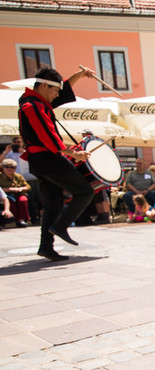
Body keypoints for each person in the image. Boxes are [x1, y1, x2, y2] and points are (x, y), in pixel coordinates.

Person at [18, 66, 96, 261]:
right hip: (48, 159)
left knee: (53, 203)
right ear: (44, 86)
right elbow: (47, 135)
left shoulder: (36, 102)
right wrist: (72, 153)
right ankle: (61, 227)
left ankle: (46, 247)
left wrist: (78, 75)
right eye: (54, 91)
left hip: (41, 161)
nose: (56, 96)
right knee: (85, 191)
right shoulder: (33, 106)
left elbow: (60, 95)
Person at [1, 136, 40, 224]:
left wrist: (23, 152)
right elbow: (1, 161)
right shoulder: (9, 154)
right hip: (11, 187)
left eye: (18, 142)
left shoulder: (26, 152)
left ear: (22, 143)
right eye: (14, 142)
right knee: (13, 201)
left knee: (27, 200)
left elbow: (35, 162)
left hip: (27, 178)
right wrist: (6, 151)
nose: (16, 144)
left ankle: (25, 219)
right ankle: (14, 219)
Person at [0, 159, 31, 227]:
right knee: (11, 201)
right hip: (7, 194)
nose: (9, 169)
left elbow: (28, 187)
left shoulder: (18, 176)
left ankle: (21, 219)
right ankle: (13, 219)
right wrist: (9, 189)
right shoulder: (0, 176)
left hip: (18, 194)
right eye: (7, 167)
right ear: (3, 168)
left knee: (23, 200)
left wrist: (21, 188)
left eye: (12, 167)